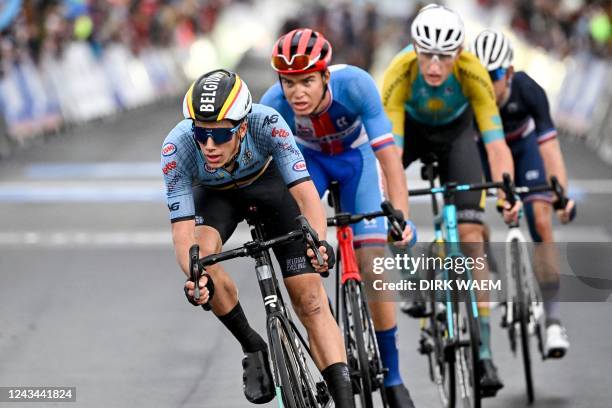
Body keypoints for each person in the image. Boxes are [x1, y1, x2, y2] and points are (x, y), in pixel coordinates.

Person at [161, 69, 355, 407]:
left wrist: (319, 242)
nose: (208, 145)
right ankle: (252, 344)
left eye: (220, 135)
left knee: (309, 299)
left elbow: (307, 197)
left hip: (269, 187)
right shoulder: (176, 147)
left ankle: (345, 399)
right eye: (201, 133)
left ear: (244, 126)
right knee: (202, 259)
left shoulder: (269, 124)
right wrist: (195, 278)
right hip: (215, 195)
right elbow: (182, 233)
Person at [261, 28, 417, 408]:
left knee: (373, 263)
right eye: (289, 83)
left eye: (307, 82)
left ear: (325, 77)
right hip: (308, 164)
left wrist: (402, 216)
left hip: (355, 163)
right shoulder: (273, 105)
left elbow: (389, 159)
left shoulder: (356, 86)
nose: (297, 92)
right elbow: (267, 174)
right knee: (303, 257)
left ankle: (393, 378)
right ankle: (328, 333)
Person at [381, 4, 521, 397]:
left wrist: (506, 190)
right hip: (411, 131)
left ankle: (485, 352)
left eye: (444, 55)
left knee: (473, 236)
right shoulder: (400, 72)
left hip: (457, 135)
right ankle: (413, 280)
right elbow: (389, 154)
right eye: (427, 53)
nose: (435, 66)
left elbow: (495, 144)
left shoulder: (473, 71)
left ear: (459, 52)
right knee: (391, 209)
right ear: (414, 48)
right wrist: (395, 208)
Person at [471, 29, 575, 358]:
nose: (489, 83)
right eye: (482, 75)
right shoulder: (470, 96)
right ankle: (502, 283)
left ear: (510, 73)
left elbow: (551, 149)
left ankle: (554, 320)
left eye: (495, 75)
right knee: (471, 223)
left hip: (525, 150)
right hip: (486, 153)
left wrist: (561, 195)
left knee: (540, 221)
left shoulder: (529, 90)